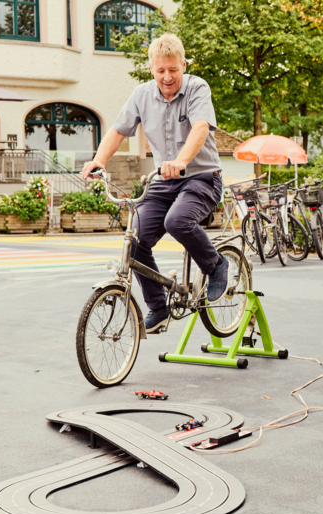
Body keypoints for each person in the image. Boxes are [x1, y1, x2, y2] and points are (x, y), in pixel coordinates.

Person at [81, 33, 229, 334]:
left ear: (183, 65)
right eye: (160, 70)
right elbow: (118, 130)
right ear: (152, 68)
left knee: (178, 221)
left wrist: (183, 161)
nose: (167, 77)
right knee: (134, 241)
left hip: (202, 177)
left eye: (173, 70)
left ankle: (215, 265)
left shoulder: (197, 88)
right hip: (163, 182)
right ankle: (158, 308)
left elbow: (200, 127)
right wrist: (98, 160)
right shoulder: (142, 94)